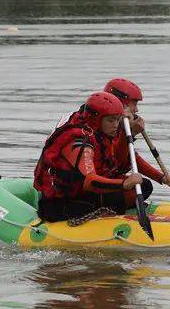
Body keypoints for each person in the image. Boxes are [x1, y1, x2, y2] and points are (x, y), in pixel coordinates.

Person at [33, 91, 161, 222]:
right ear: (96, 119)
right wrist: (123, 184)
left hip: (81, 195)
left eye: (117, 119)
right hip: (60, 206)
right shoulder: (80, 143)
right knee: (118, 195)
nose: (116, 125)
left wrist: (161, 177)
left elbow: (123, 159)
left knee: (145, 186)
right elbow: (90, 181)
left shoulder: (102, 135)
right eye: (111, 120)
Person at [103, 77, 170, 197]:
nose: (137, 109)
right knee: (143, 187)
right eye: (135, 103)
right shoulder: (100, 126)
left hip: (102, 180)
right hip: (87, 189)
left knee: (144, 185)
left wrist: (162, 177)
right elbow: (117, 160)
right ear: (122, 104)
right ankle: (101, 209)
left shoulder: (113, 124)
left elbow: (131, 157)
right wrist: (129, 134)